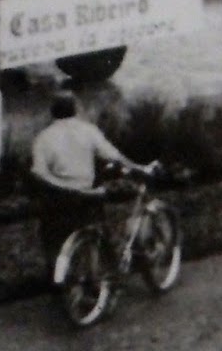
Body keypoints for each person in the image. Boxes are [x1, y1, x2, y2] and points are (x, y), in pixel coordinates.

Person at [30, 92, 146, 268]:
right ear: (75, 110)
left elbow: (39, 172)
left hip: (57, 199)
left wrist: (60, 185)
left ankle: (57, 280)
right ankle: (105, 270)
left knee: (53, 240)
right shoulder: (88, 130)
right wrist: (137, 167)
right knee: (98, 231)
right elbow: (114, 156)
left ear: (53, 112)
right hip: (87, 195)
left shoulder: (43, 138)